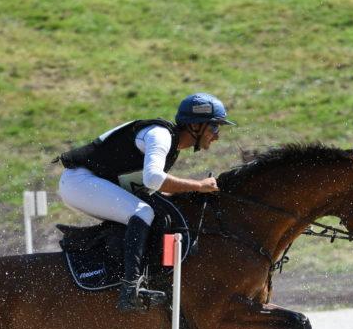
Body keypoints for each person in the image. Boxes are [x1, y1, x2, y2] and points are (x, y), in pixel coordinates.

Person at [55, 93, 234, 311]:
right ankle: (130, 289)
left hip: (88, 184)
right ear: (196, 125)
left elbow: (148, 186)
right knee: (142, 212)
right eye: (214, 127)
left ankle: (141, 277)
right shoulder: (160, 136)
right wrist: (199, 186)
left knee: (153, 212)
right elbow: (154, 179)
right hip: (80, 182)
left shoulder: (171, 146)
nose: (217, 136)